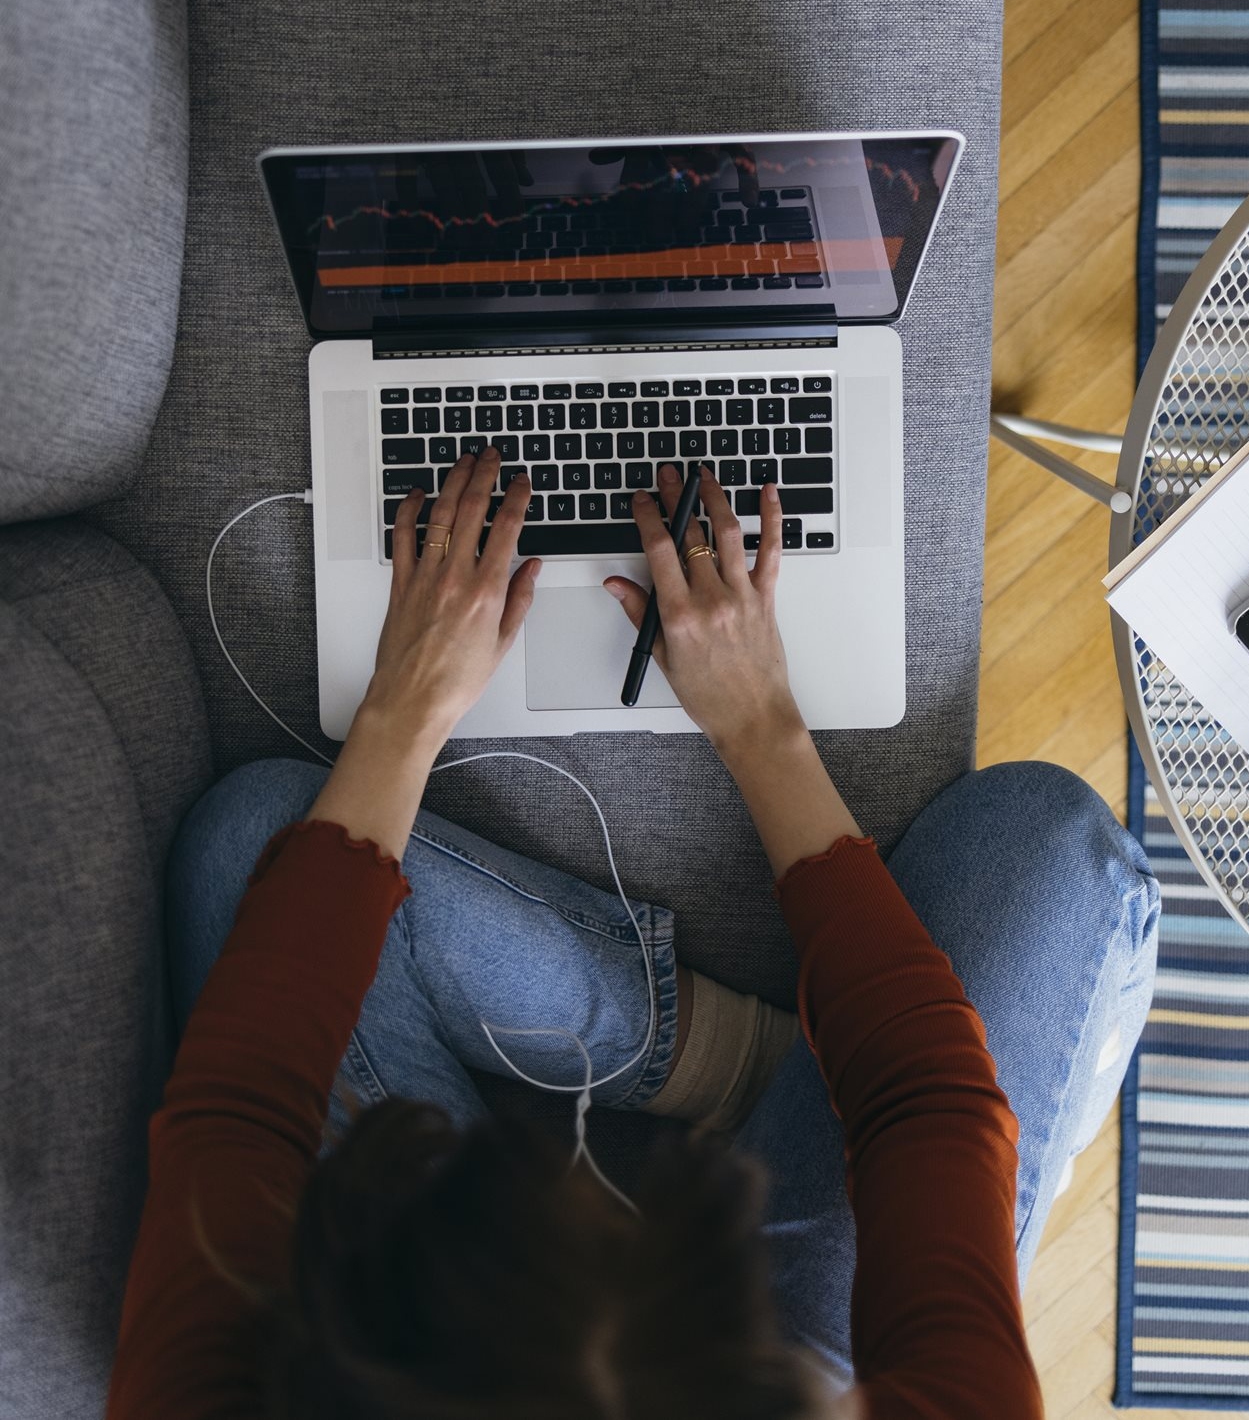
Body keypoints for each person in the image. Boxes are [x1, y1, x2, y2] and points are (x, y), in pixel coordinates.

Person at [105, 450, 1160, 1420]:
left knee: (260, 848)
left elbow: (243, 1099)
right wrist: (759, 728)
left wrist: (406, 708)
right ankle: (825, 1093)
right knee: (1045, 843)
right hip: (786, 1337)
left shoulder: (219, 1389)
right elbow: (928, 1103)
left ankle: (737, 1065)